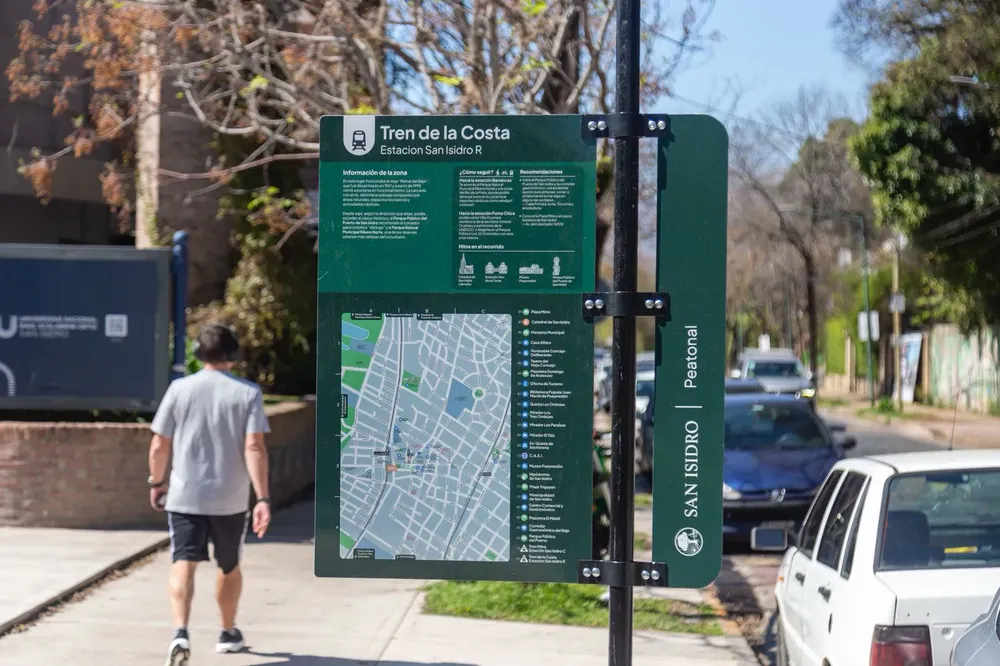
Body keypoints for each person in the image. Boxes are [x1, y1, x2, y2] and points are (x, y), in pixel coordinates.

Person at [147, 324, 272, 666]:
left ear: (199, 354)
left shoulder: (179, 389)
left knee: (183, 561)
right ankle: (228, 632)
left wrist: (156, 482)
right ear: (233, 354)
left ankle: (180, 631)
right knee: (229, 565)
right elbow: (254, 446)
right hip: (230, 499)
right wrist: (262, 498)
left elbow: (159, 442)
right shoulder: (247, 393)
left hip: (185, 495)